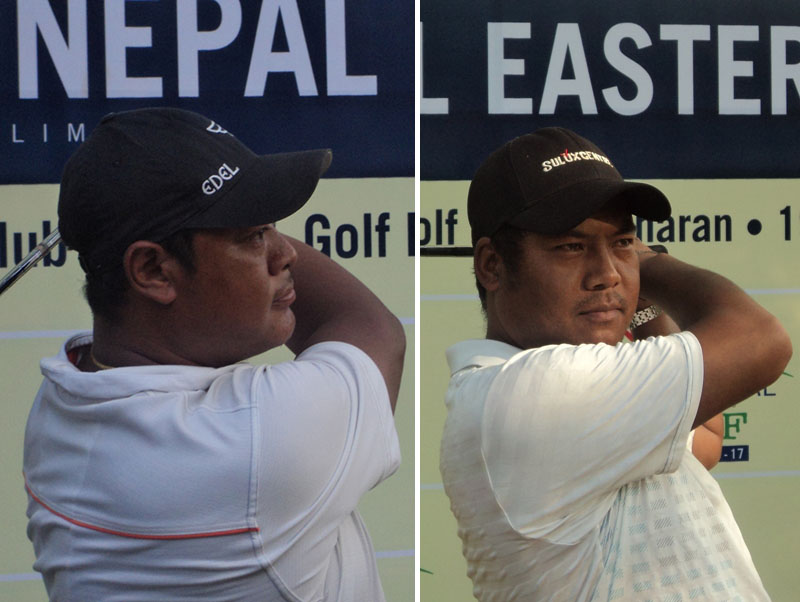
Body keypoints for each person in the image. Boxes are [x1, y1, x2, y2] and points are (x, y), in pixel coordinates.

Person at [22, 107, 406, 601]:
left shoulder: (60, 399)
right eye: (252, 234)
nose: (284, 253)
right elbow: (368, 326)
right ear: (153, 270)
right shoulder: (256, 440)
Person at [439, 127, 792, 601]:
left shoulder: (572, 384)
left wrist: (637, 300)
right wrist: (649, 264)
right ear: (492, 265)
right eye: (571, 246)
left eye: (622, 243)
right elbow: (760, 339)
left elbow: (704, 439)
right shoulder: (527, 393)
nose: (606, 273)